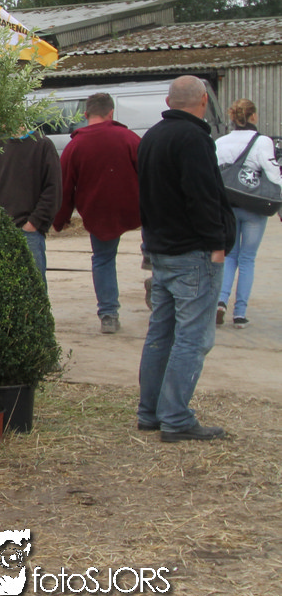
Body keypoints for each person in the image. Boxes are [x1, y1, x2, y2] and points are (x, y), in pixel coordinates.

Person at [137, 76, 234, 442]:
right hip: (193, 253)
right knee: (192, 338)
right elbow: (203, 195)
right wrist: (217, 243)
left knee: (161, 334)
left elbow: (146, 194)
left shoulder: (152, 137)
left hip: (162, 249)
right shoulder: (194, 139)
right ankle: (176, 417)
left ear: (168, 101)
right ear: (204, 101)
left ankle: (150, 411)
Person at [51, 93, 141, 334]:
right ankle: (155, 273)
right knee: (158, 254)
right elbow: (149, 173)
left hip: (98, 212)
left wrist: (60, 220)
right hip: (134, 208)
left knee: (103, 260)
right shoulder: (130, 139)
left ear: (85, 115)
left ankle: (109, 315)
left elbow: (65, 186)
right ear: (111, 113)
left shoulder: (75, 146)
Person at [215, 98, 280, 327]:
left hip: (228, 207)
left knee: (229, 255)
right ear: (253, 116)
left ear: (233, 118)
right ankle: (240, 314)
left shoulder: (221, 142)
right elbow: (274, 176)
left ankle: (221, 301)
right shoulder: (262, 142)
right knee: (248, 259)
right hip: (254, 208)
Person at [0, 126, 61, 281]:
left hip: (29, 233)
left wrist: (34, 223)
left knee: (33, 287)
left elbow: (53, 189)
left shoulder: (42, 145)